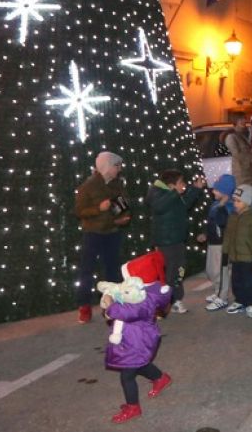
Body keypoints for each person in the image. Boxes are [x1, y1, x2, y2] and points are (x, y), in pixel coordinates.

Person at [99, 252, 175, 424]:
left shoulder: (144, 299)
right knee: (138, 364)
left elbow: (127, 312)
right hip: (136, 337)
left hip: (137, 339)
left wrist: (111, 304)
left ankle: (133, 407)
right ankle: (161, 378)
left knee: (127, 375)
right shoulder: (143, 291)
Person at [75, 151, 131, 323]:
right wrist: (99, 209)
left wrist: (121, 217)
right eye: (116, 166)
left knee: (113, 270)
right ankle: (84, 306)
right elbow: (79, 211)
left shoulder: (117, 184)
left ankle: (113, 305)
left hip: (112, 232)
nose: (119, 169)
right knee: (87, 270)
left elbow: (124, 203)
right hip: (93, 233)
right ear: (106, 166)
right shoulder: (88, 186)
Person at [145, 168, 206, 313]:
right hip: (166, 241)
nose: (183, 184)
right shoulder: (157, 192)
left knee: (179, 270)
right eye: (181, 182)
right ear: (171, 185)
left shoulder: (174, 195)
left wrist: (196, 190)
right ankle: (167, 300)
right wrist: (174, 193)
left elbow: (184, 205)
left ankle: (176, 299)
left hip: (177, 239)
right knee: (170, 272)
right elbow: (159, 206)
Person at [221, 184, 252, 317]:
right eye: (234, 200)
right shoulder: (233, 216)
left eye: (238, 201)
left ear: (247, 202)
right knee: (236, 280)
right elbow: (228, 236)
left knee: (250, 281)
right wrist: (225, 252)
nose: (235, 203)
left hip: (249, 257)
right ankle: (240, 300)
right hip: (235, 257)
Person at [202, 173, 237, 311]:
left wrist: (222, 206)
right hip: (213, 242)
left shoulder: (229, 207)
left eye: (216, 189)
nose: (213, 191)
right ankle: (217, 291)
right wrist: (205, 234)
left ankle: (222, 297)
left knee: (220, 271)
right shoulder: (216, 204)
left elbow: (223, 223)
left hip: (222, 244)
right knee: (212, 270)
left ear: (225, 192)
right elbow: (212, 222)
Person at [224, 115, 252, 189]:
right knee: (244, 199)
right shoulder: (231, 137)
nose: (244, 121)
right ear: (235, 122)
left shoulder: (245, 135)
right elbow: (238, 155)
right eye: (241, 119)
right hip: (243, 177)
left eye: (244, 119)